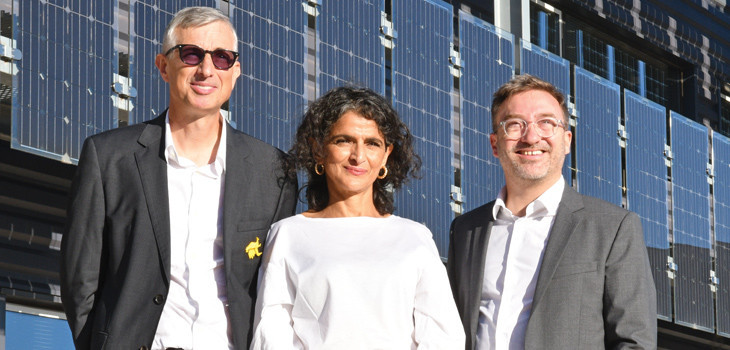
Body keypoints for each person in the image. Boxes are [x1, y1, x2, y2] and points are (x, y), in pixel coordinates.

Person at [60, 7, 297, 350]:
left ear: (236, 71)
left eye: (222, 58)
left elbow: (275, 287)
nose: (206, 70)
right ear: (163, 66)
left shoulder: (274, 171)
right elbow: (79, 279)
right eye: (191, 54)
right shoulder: (109, 157)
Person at [447, 74, 657, 349]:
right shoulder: (465, 231)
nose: (531, 136)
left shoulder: (612, 228)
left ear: (567, 140)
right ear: (495, 144)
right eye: (514, 124)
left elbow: (634, 341)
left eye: (546, 123)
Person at [250, 86, 465, 349]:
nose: (358, 156)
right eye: (344, 140)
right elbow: (271, 333)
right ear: (318, 149)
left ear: (386, 155)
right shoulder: (288, 234)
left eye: (372, 144)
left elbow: (443, 336)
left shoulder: (416, 238)